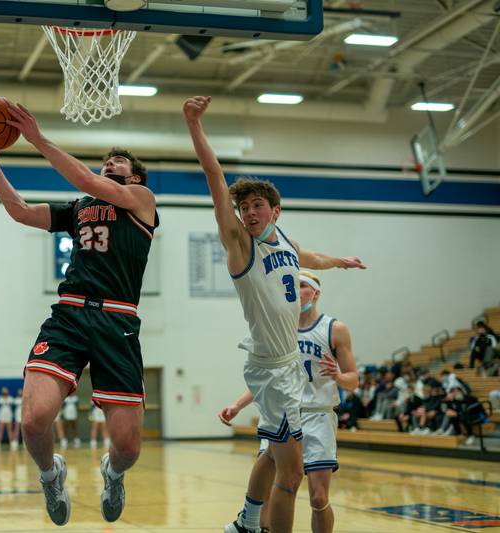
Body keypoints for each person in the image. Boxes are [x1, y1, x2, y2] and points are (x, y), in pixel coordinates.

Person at [184, 96, 365, 533]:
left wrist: (339, 260)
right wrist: (195, 125)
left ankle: (246, 520)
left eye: (255, 207)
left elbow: (309, 256)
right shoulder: (240, 246)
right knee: (291, 475)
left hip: (285, 371)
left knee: (272, 454)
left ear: (274, 211)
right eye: (243, 208)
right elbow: (214, 175)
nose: (247, 213)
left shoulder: (283, 240)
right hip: (273, 370)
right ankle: (252, 524)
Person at [0, 102, 158, 526]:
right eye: (106, 159)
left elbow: (85, 177)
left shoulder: (141, 201)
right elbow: (19, 210)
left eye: (118, 161)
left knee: (128, 448)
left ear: (135, 177)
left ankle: (113, 473)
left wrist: (38, 139)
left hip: (118, 321)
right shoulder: (78, 208)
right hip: (70, 316)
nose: (109, 162)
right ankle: (50, 474)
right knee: (34, 419)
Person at [219, 271, 358, 533]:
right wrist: (238, 405)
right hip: (282, 409)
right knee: (272, 488)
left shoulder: (334, 329)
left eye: (302, 286)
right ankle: (254, 525)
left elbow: (354, 380)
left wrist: (339, 376)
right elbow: (269, 380)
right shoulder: (279, 327)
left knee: (318, 497)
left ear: (315, 293)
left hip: (318, 416)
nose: (295, 290)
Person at [0, 387, 14, 451]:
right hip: (1, 416)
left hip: (9, 416)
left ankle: (12, 443)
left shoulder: (11, 399)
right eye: (3, 391)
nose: (5, 392)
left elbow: (12, 404)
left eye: (6, 391)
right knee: (0, 430)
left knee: (10, 430)